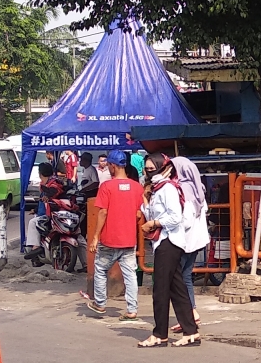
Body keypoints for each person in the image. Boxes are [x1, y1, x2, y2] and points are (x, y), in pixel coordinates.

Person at [137, 153, 209, 348]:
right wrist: (145, 200)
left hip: (169, 242)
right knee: (177, 288)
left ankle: (160, 334)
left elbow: (175, 217)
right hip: (163, 242)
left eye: (152, 168)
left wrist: (154, 223)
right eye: (147, 169)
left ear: (163, 167)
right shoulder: (157, 188)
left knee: (160, 289)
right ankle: (191, 332)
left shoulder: (168, 188)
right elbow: (153, 212)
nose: (149, 172)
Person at [85, 149, 146, 320]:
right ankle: (132, 309)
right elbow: (139, 214)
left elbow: (102, 212)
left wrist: (96, 236)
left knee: (100, 269)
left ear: (112, 166)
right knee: (130, 275)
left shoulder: (106, 186)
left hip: (109, 239)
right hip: (128, 239)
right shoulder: (137, 187)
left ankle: (100, 304)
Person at [169, 152, 208, 330]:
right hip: (197, 242)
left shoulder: (183, 189)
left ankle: (189, 315)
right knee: (185, 277)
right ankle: (191, 313)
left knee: (176, 279)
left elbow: (185, 220)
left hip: (184, 242)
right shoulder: (197, 187)